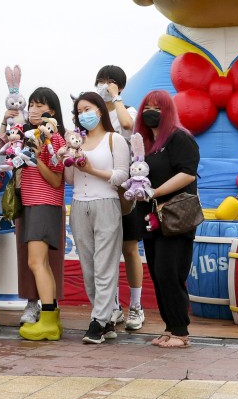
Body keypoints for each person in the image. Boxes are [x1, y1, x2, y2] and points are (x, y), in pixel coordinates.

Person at [134, 89, 200, 349]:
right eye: (147, 107)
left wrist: (156, 192)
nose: (152, 112)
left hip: (175, 217)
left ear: (169, 111)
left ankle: (181, 332)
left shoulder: (179, 138)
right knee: (158, 274)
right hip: (151, 218)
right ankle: (169, 327)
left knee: (170, 272)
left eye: (158, 108)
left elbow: (188, 173)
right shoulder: (144, 145)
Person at [65, 91, 131, 344]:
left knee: (105, 265)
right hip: (79, 205)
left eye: (88, 109)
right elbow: (70, 180)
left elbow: (122, 176)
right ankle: (106, 319)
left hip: (106, 203)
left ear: (100, 110)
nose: (84, 115)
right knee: (88, 268)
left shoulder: (114, 139)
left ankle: (98, 321)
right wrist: (68, 159)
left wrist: (91, 169)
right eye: (79, 112)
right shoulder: (76, 141)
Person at [14, 87, 67, 341]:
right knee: (41, 263)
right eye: (32, 105)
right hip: (32, 204)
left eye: (40, 105)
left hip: (44, 204)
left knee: (36, 262)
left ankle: (46, 320)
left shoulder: (54, 138)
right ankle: (52, 318)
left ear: (52, 112)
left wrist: (37, 158)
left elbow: (57, 180)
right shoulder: (32, 135)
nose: (34, 110)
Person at [95, 64, 145, 331]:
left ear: (121, 87)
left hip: (126, 189)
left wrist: (115, 99)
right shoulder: (93, 115)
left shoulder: (128, 110)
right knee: (106, 252)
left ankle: (135, 306)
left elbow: (127, 126)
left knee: (129, 248)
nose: (104, 85)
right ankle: (112, 306)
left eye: (110, 81)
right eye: (100, 81)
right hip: (102, 189)